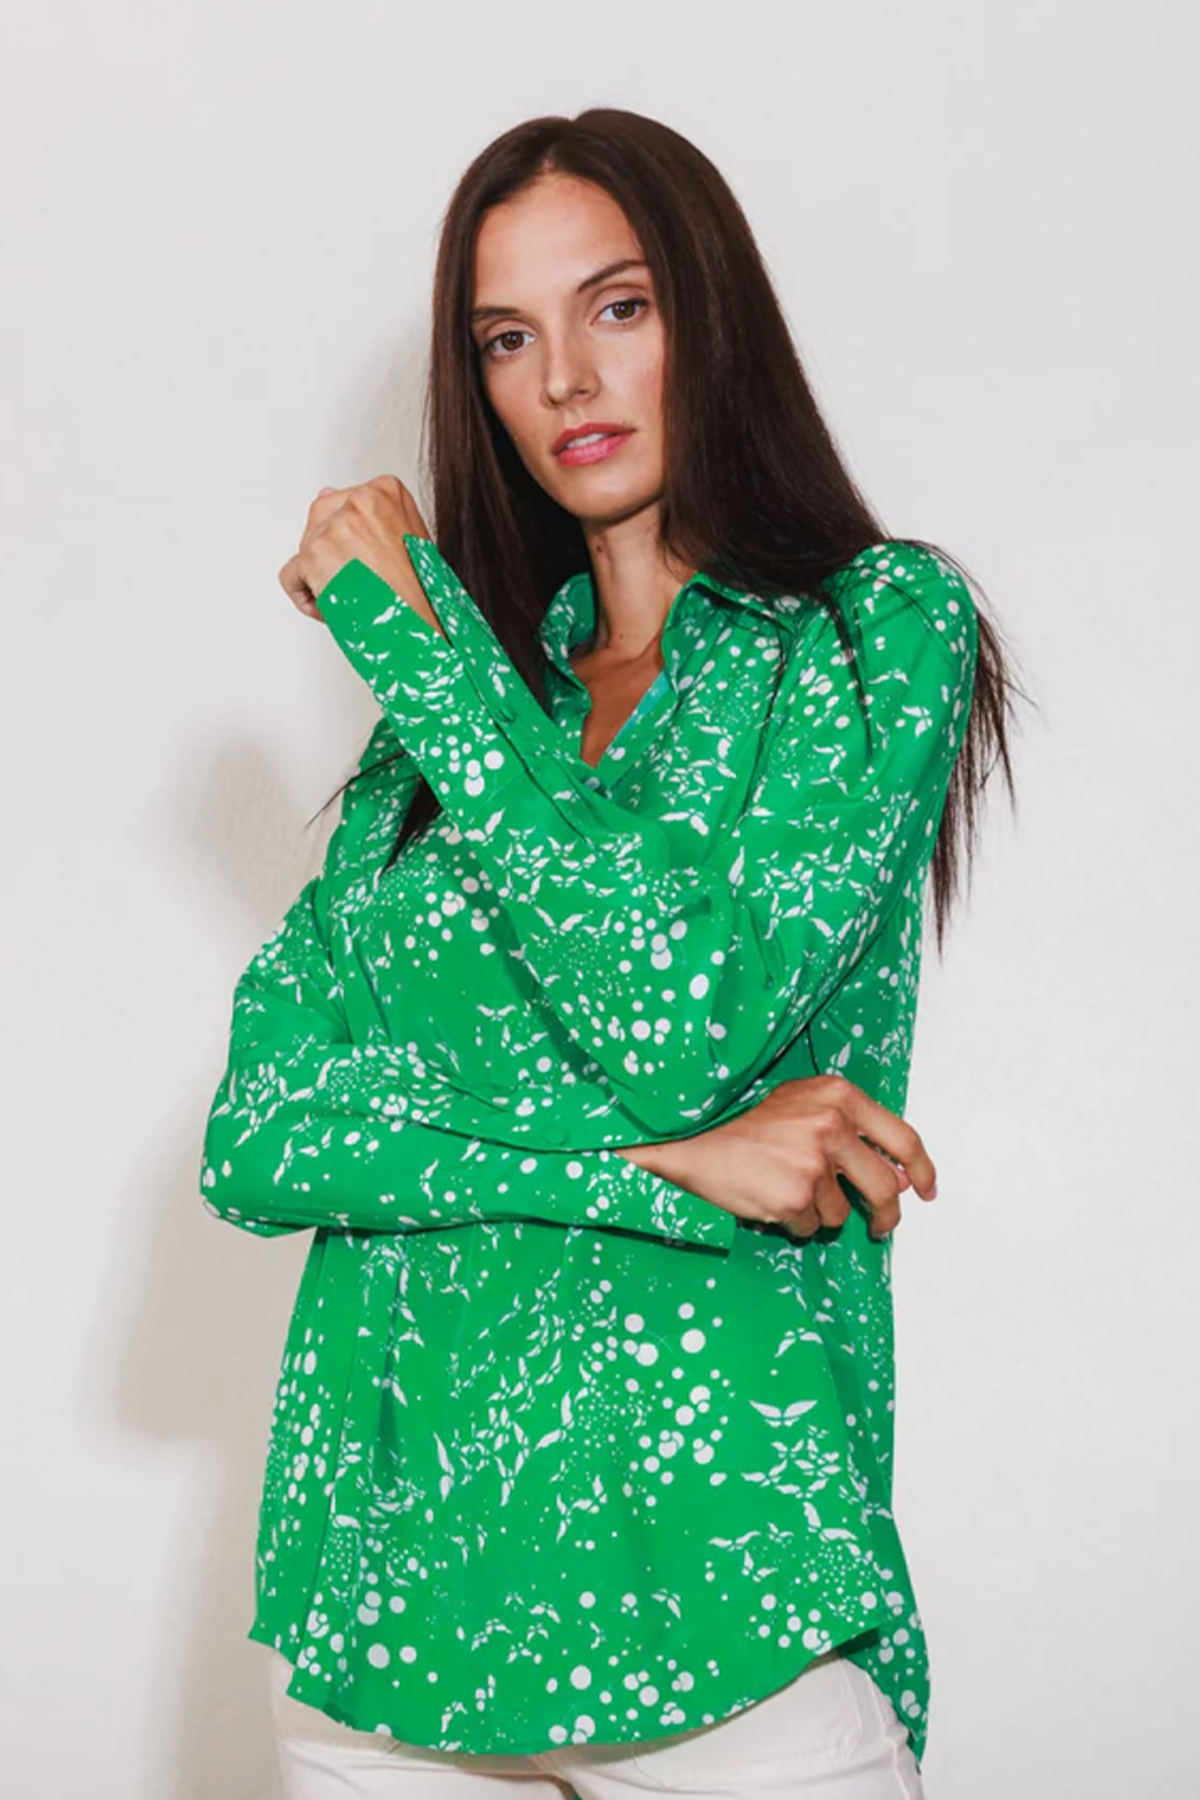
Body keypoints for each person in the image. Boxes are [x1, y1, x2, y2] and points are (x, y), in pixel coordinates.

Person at [199, 106, 1017, 1799]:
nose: (566, 376)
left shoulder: (867, 637)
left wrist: (424, 651)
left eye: (618, 306)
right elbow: (261, 1139)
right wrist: (666, 1166)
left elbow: (678, 1020)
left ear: (712, 312)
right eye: (507, 338)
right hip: (386, 1637)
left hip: (724, 1613)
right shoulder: (445, 737)